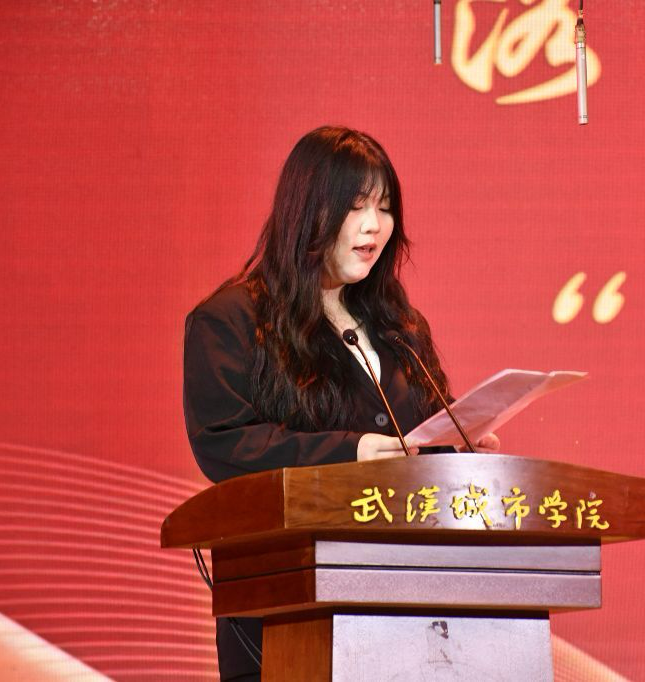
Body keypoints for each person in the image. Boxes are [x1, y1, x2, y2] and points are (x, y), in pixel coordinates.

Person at [182, 126, 498, 681]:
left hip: (411, 610)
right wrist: (350, 453)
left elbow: (423, 430)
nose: (374, 225)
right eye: (356, 206)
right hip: (288, 618)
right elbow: (226, 444)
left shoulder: (397, 325)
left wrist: (460, 441)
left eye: (385, 207)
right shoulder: (232, 320)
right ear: (308, 210)